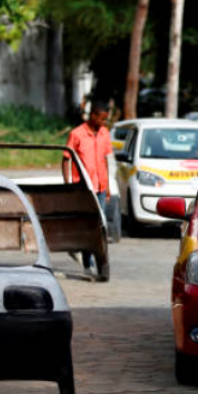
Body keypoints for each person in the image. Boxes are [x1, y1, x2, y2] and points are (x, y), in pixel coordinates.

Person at [63, 101, 113, 273]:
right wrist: (67, 184)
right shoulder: (76, 134)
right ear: (92, 116)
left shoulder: (105, 133)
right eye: (102, 119)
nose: (103, 123)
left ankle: (98, 262)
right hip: (83, 188)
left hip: (100, 187)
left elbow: (105, 159)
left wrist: (108, 185)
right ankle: (87, 263)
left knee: (100, 226)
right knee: (87, 225)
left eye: (106, 120)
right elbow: (66, 158)